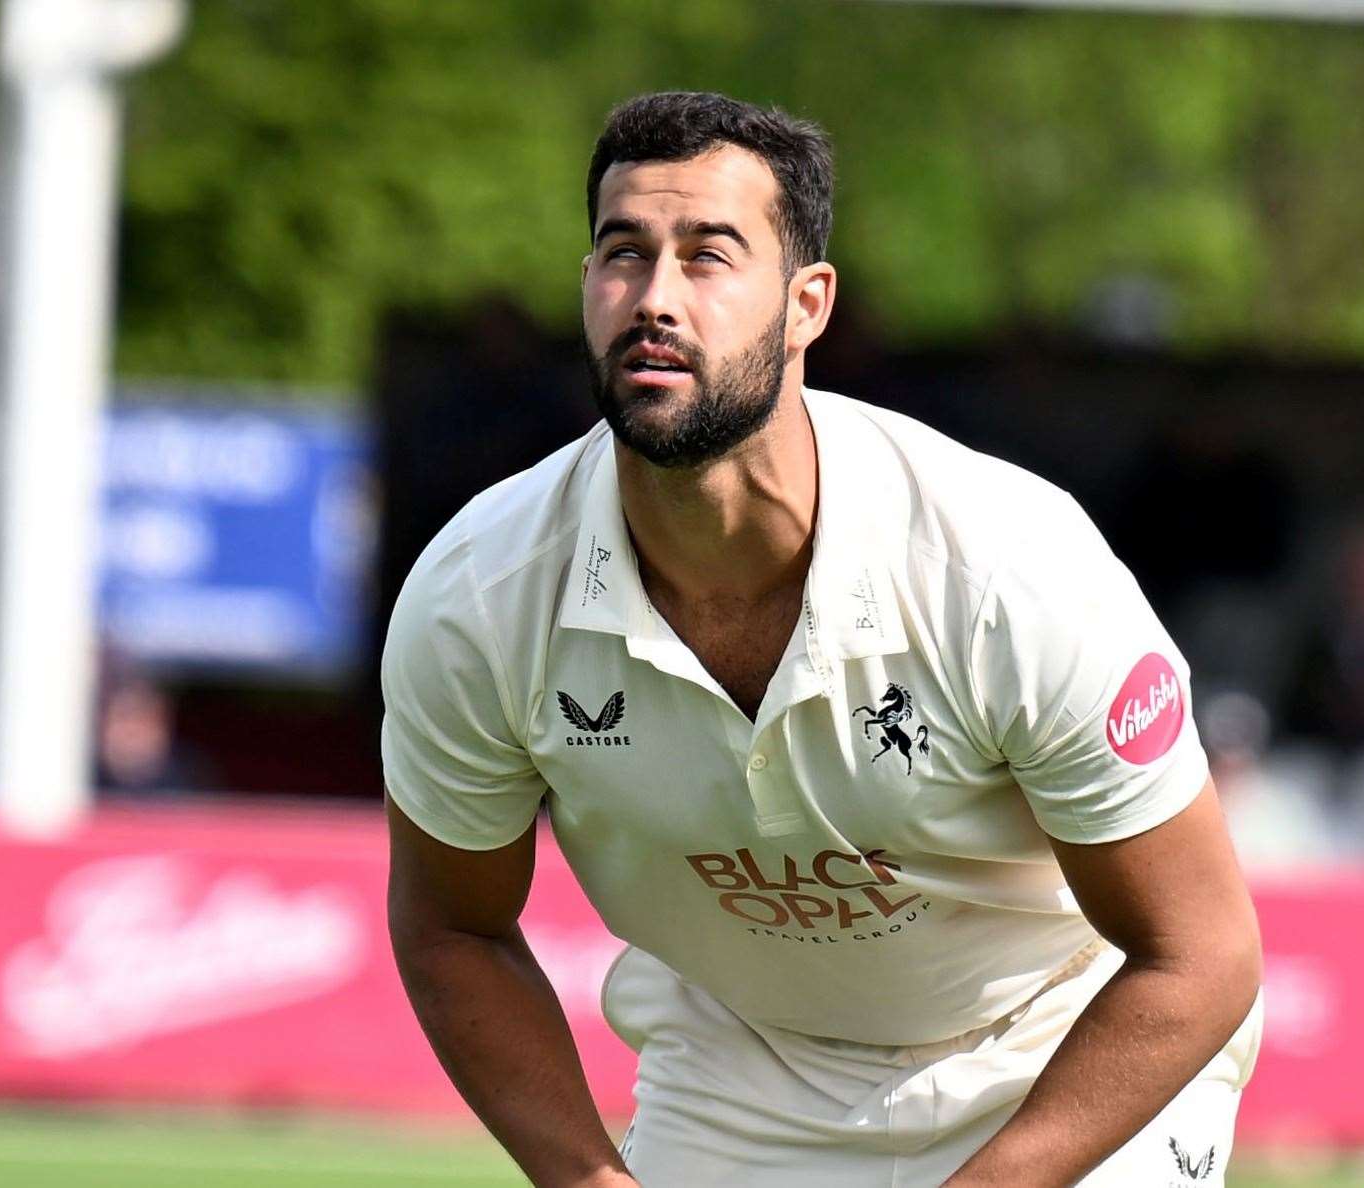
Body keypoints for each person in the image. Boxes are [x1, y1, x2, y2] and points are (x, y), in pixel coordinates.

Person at [382, 91, 1263, 1188]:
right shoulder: (479, 594)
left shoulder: (1004, 567)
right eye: (623, 254)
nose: (654, 299)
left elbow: (1201, 955)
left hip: (1056, 1051)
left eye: (709, 257)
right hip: (737, 1074)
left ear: (806, 305)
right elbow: (453, 932)